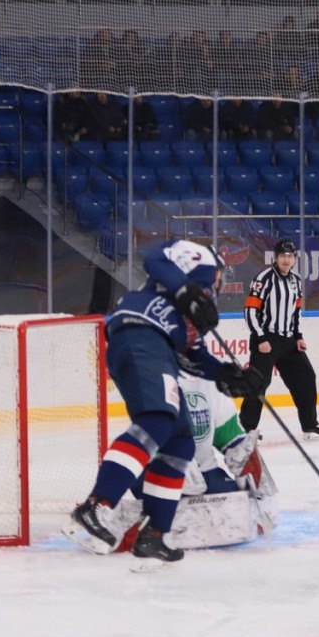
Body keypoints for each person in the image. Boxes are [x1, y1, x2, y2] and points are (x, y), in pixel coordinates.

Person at [62, 239, 265, 568]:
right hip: (141, 334)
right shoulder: (204, 263)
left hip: (154, 349)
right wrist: (186, 290)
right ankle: (96, 506)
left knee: (180, 440)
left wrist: (228, 375)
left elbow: (193, 358)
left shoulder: (196, 315)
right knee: (156, 420)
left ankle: (155, 535)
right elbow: (156, 257)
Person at [108, 372, 280, 553]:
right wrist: (175, 464)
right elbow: (147, 435)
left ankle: (157, 518)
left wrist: (248, 461)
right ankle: (136, 519)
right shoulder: (154, 376)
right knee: (171, 507)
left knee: (239, 508)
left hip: (205, 472)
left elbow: (230, 438)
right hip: (156, 469)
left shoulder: (212, 383)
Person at [240, 239, 319, 439]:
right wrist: (261, 338)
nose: (286, 260)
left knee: (306, 377)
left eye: (290, 256)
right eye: (282, 256)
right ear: (276, 257)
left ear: (295, 259)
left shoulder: (296, 280)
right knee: (258, 384)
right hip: (266, 339)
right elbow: (250, 311)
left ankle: (309, 424)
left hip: (288, 341)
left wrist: (298, 336)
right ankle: (246, 430)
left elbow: (296, 312)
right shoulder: (264, 278)